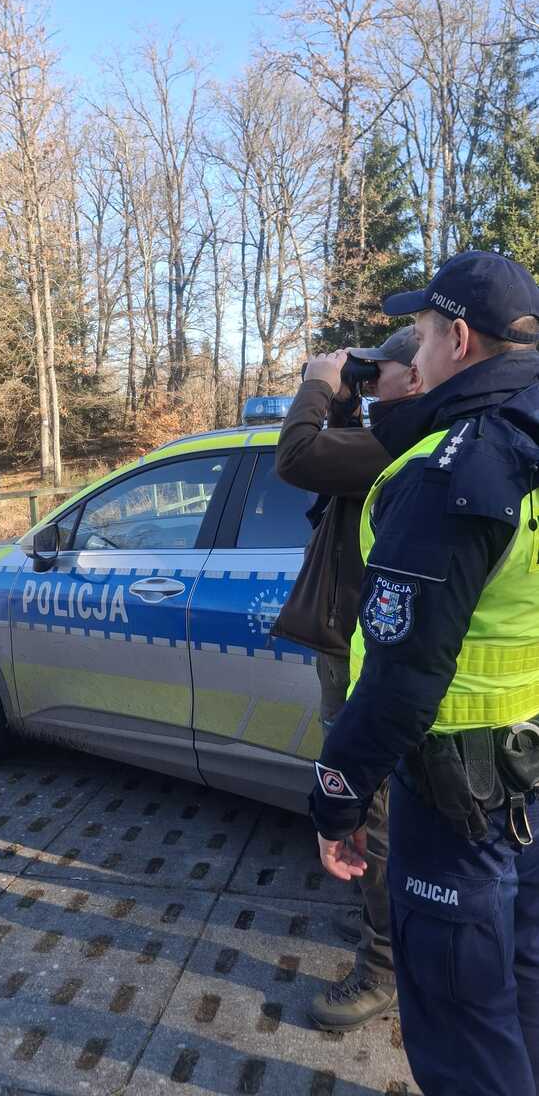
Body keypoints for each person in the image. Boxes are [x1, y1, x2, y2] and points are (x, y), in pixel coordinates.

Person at [309, 251, 539, 1096]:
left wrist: (337, 798)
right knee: (520, 993)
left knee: (458, 1024)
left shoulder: (458, 467)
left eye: (423, 332)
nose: (414, 351)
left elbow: (403, 675)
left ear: (458, 340)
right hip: (525, 773)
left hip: (454, 796)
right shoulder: (525, 442)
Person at [274, 324, 423, 1029]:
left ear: (415, 379)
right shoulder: (386, 440)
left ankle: (383, 967)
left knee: (374, 813)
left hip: (366, 657)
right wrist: (345, 399)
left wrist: (317, 384)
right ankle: (384, 921)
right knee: (371, 811)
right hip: (354, 645)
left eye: (379, 370)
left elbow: (298, 457)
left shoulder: (401, 445)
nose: (367, 379)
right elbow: (331, 466)